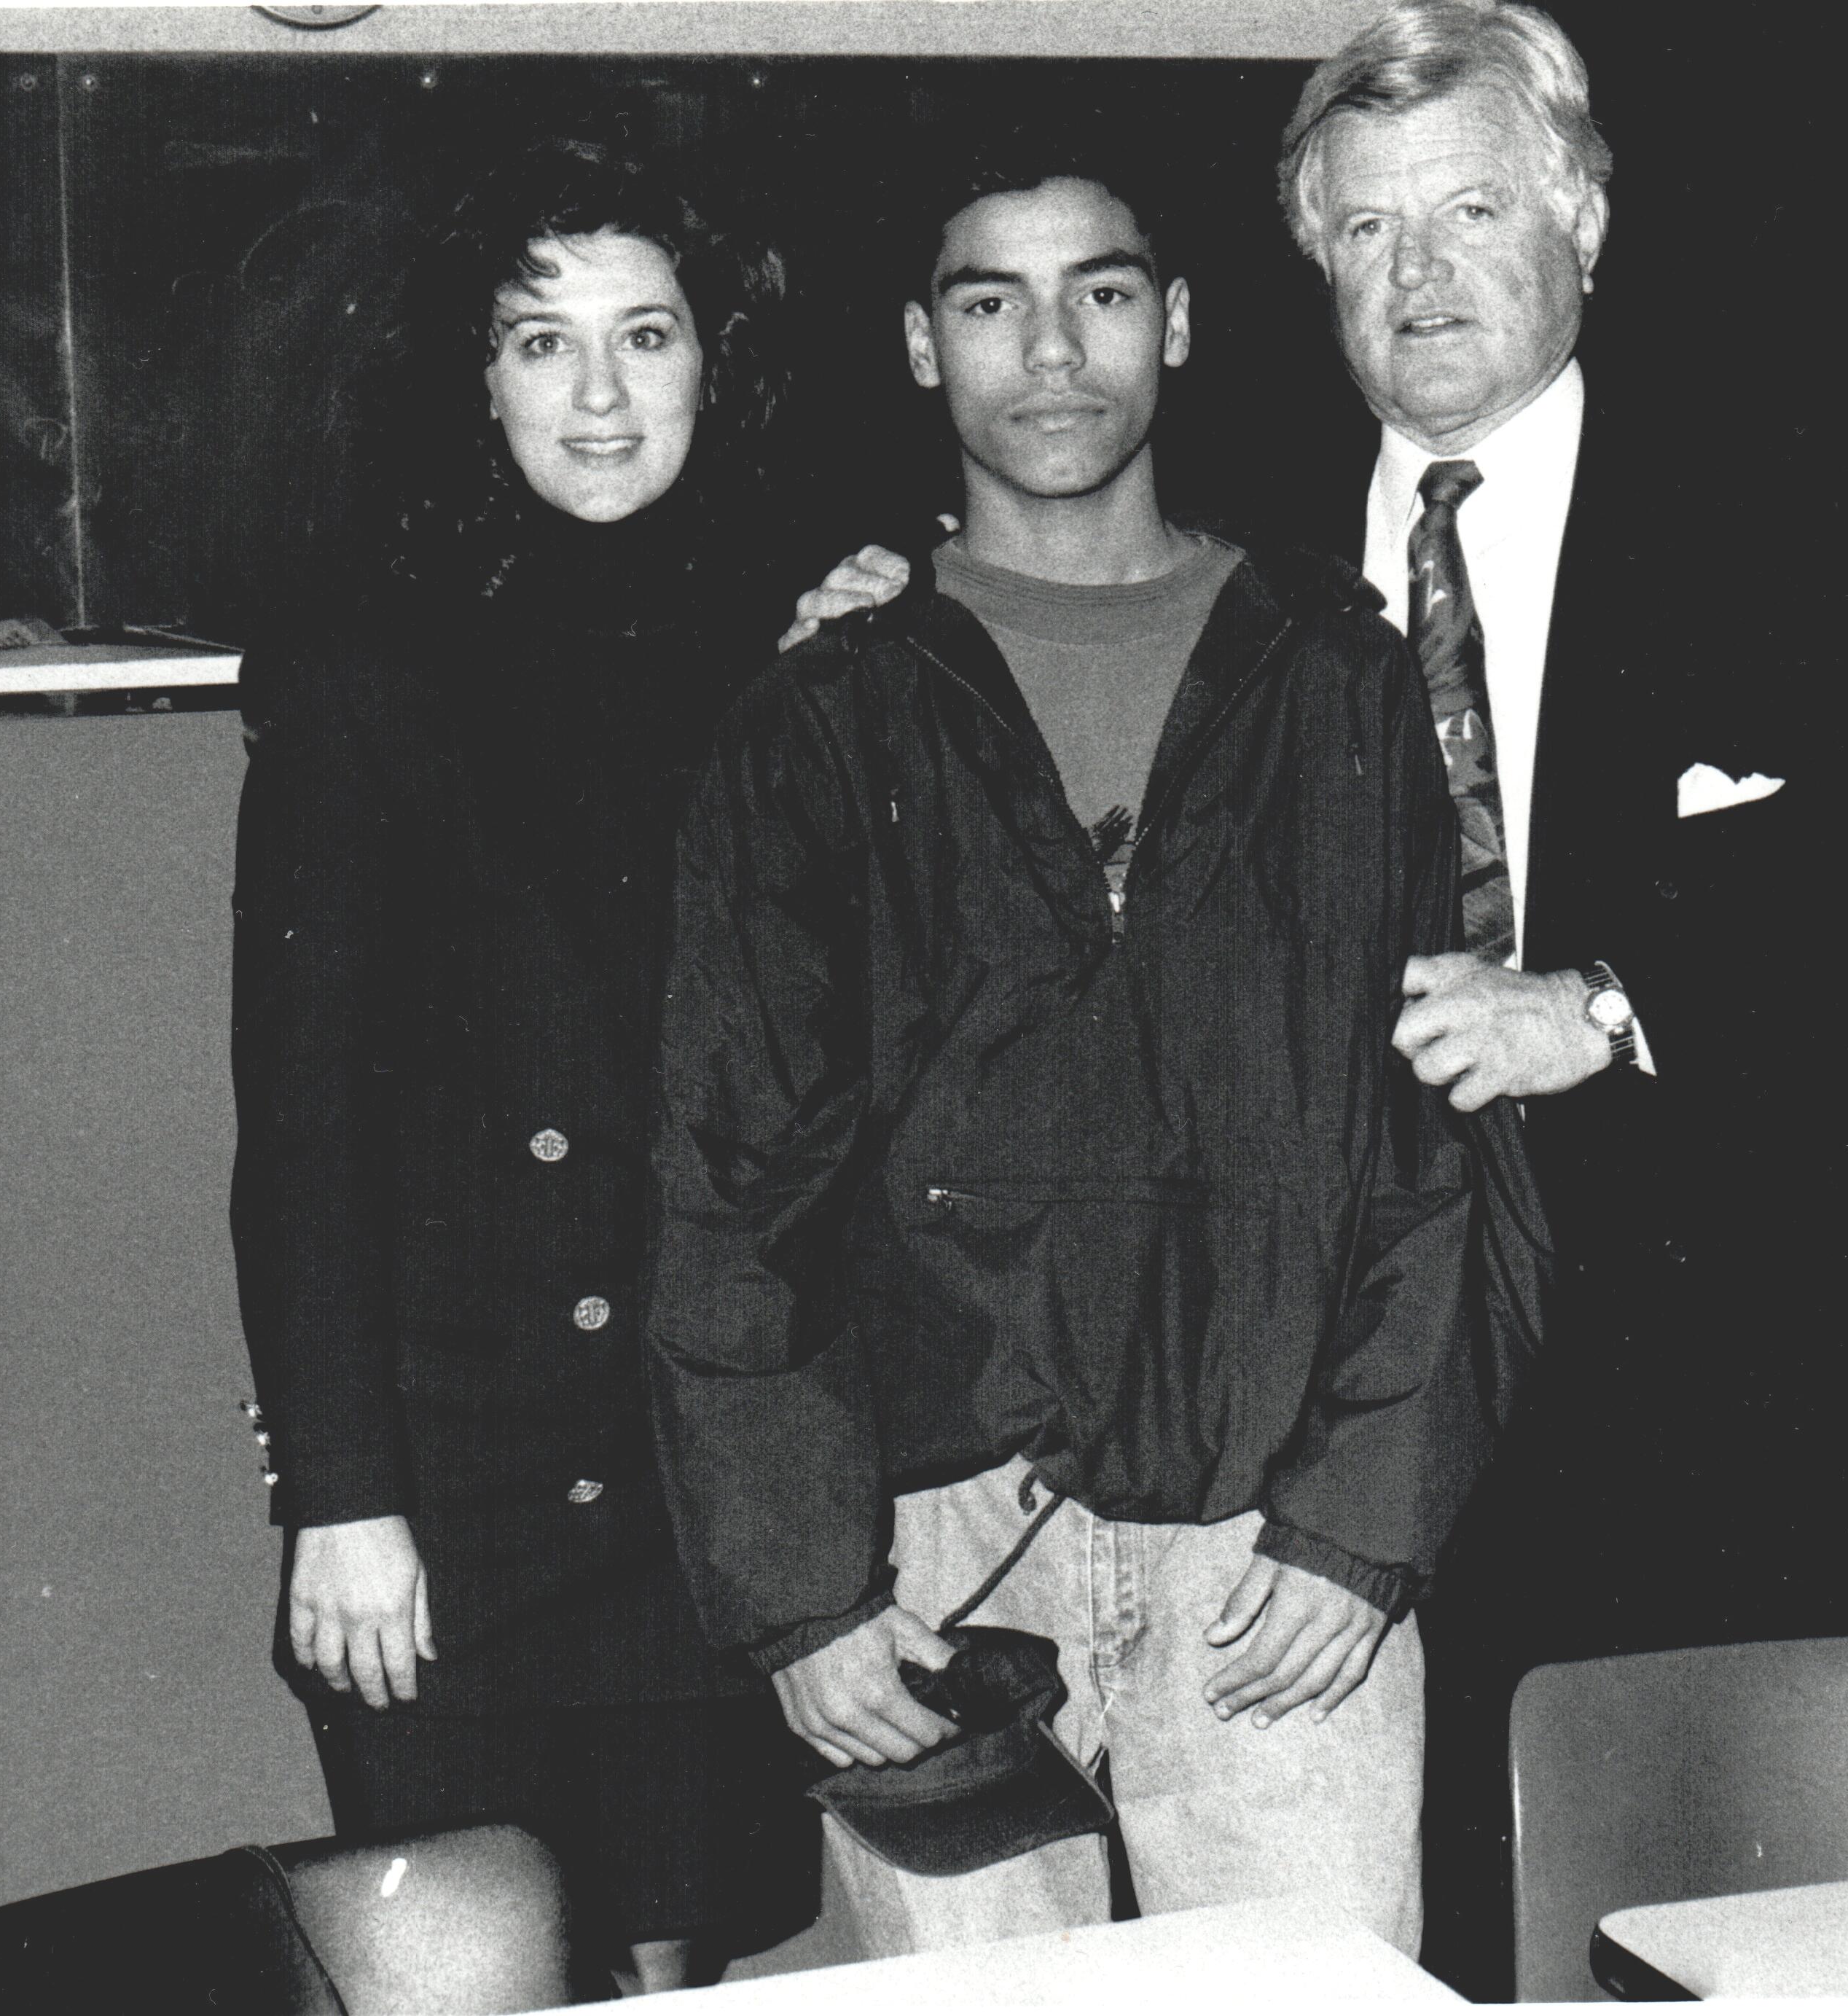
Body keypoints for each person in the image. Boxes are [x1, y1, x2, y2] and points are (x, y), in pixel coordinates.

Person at [642, 150, 1546, 1961]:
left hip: (1279, 1552)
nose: (1052, 352)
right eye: (991, 302)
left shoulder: (1339, 680)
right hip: (939, 1560)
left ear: (1180, 324)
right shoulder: (825, 716)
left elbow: (1444, 1141)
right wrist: (803, 1596)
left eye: (1104, 293)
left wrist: (1364, 1523)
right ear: (922, 346)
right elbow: (730, 1179)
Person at [227, 136, 816, 1996]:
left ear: (714, 367)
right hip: (453, 1490)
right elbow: (300, 1119)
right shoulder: (360, 657)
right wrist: (337, 1492)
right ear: (473, 376)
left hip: (691, 1473)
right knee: (467, 1968)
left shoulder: (804, 648)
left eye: (647, 336)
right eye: (540, 341)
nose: (599, 393)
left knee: (670, 1967)